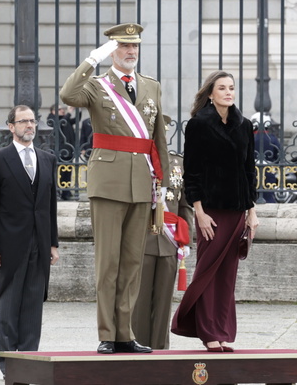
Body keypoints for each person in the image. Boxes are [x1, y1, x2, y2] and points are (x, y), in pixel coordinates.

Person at [60, 22, 169, 354]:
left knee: (132, 262)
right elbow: (68, 94)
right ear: (112, 51)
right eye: (124, 47)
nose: (131, 52)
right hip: (108, 182)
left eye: (135, 46)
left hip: (141, 183)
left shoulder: (151, 86)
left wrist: (161, 185)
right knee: (107, 262)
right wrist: (93, 59)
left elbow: (158, 139)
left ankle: (126, 333)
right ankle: (108, 332)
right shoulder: (97, 86)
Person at [170, 71, 259, 352]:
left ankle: (221, 331)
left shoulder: (244, 126)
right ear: (210, 93)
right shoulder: (198, 125)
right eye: (222, 88)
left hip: (237, 211)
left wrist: (252, 211)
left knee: (227, 274)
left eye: (231, 88)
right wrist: (198, 211)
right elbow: (191, 172)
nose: (228, 93)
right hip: (210, 211)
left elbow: (248, 171)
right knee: (208, 271)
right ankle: (205, 329)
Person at [0, 105, 59, 375]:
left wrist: (52, 243)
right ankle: (7, 363)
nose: (29, 125)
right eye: (23, 121)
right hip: (9, 246)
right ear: (11, 127)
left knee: (33, 306)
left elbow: (50, 205)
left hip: (39, 243)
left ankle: (29, 361)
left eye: (32, 121)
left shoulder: (47, 159)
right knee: (9, 305)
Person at [132, 150, 193, 350]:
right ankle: (138, 346)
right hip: (143, 239)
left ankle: (160, 349)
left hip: (170, 241)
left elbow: (185, 206)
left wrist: (187, 241)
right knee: (140, 301)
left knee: (164, 302)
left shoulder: (178, 162)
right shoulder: (139, 159)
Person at [47, 104, 76, 200]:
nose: (62, 111)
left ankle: (66, 193)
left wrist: (77, 110)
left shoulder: (64, 118)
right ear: (53, 111)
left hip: (69, 150)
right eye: (59, 109)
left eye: (62, 109)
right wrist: (68, 113)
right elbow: (58, 124)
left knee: (68, 172)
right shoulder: (52, 119)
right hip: (60, 151)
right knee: (60, 173)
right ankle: (58, 193)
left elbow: (75, 120)